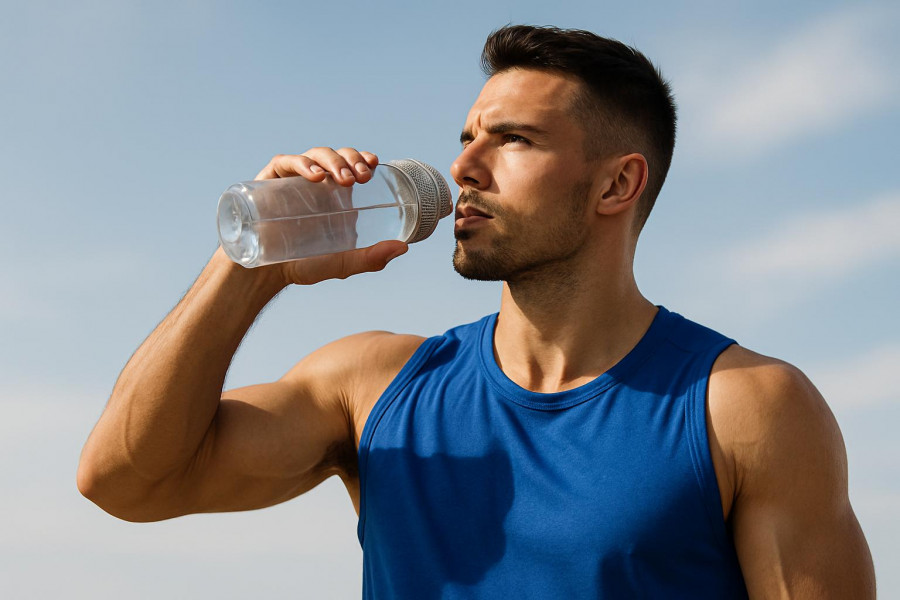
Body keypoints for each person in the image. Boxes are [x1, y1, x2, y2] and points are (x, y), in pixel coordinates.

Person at [78, 25, 875, 598]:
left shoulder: (747, 407)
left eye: (514, 140)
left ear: (615, 185)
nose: (463, 167)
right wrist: (248, 265)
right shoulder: (374, 383)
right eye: (466, 138)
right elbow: (124, 481)